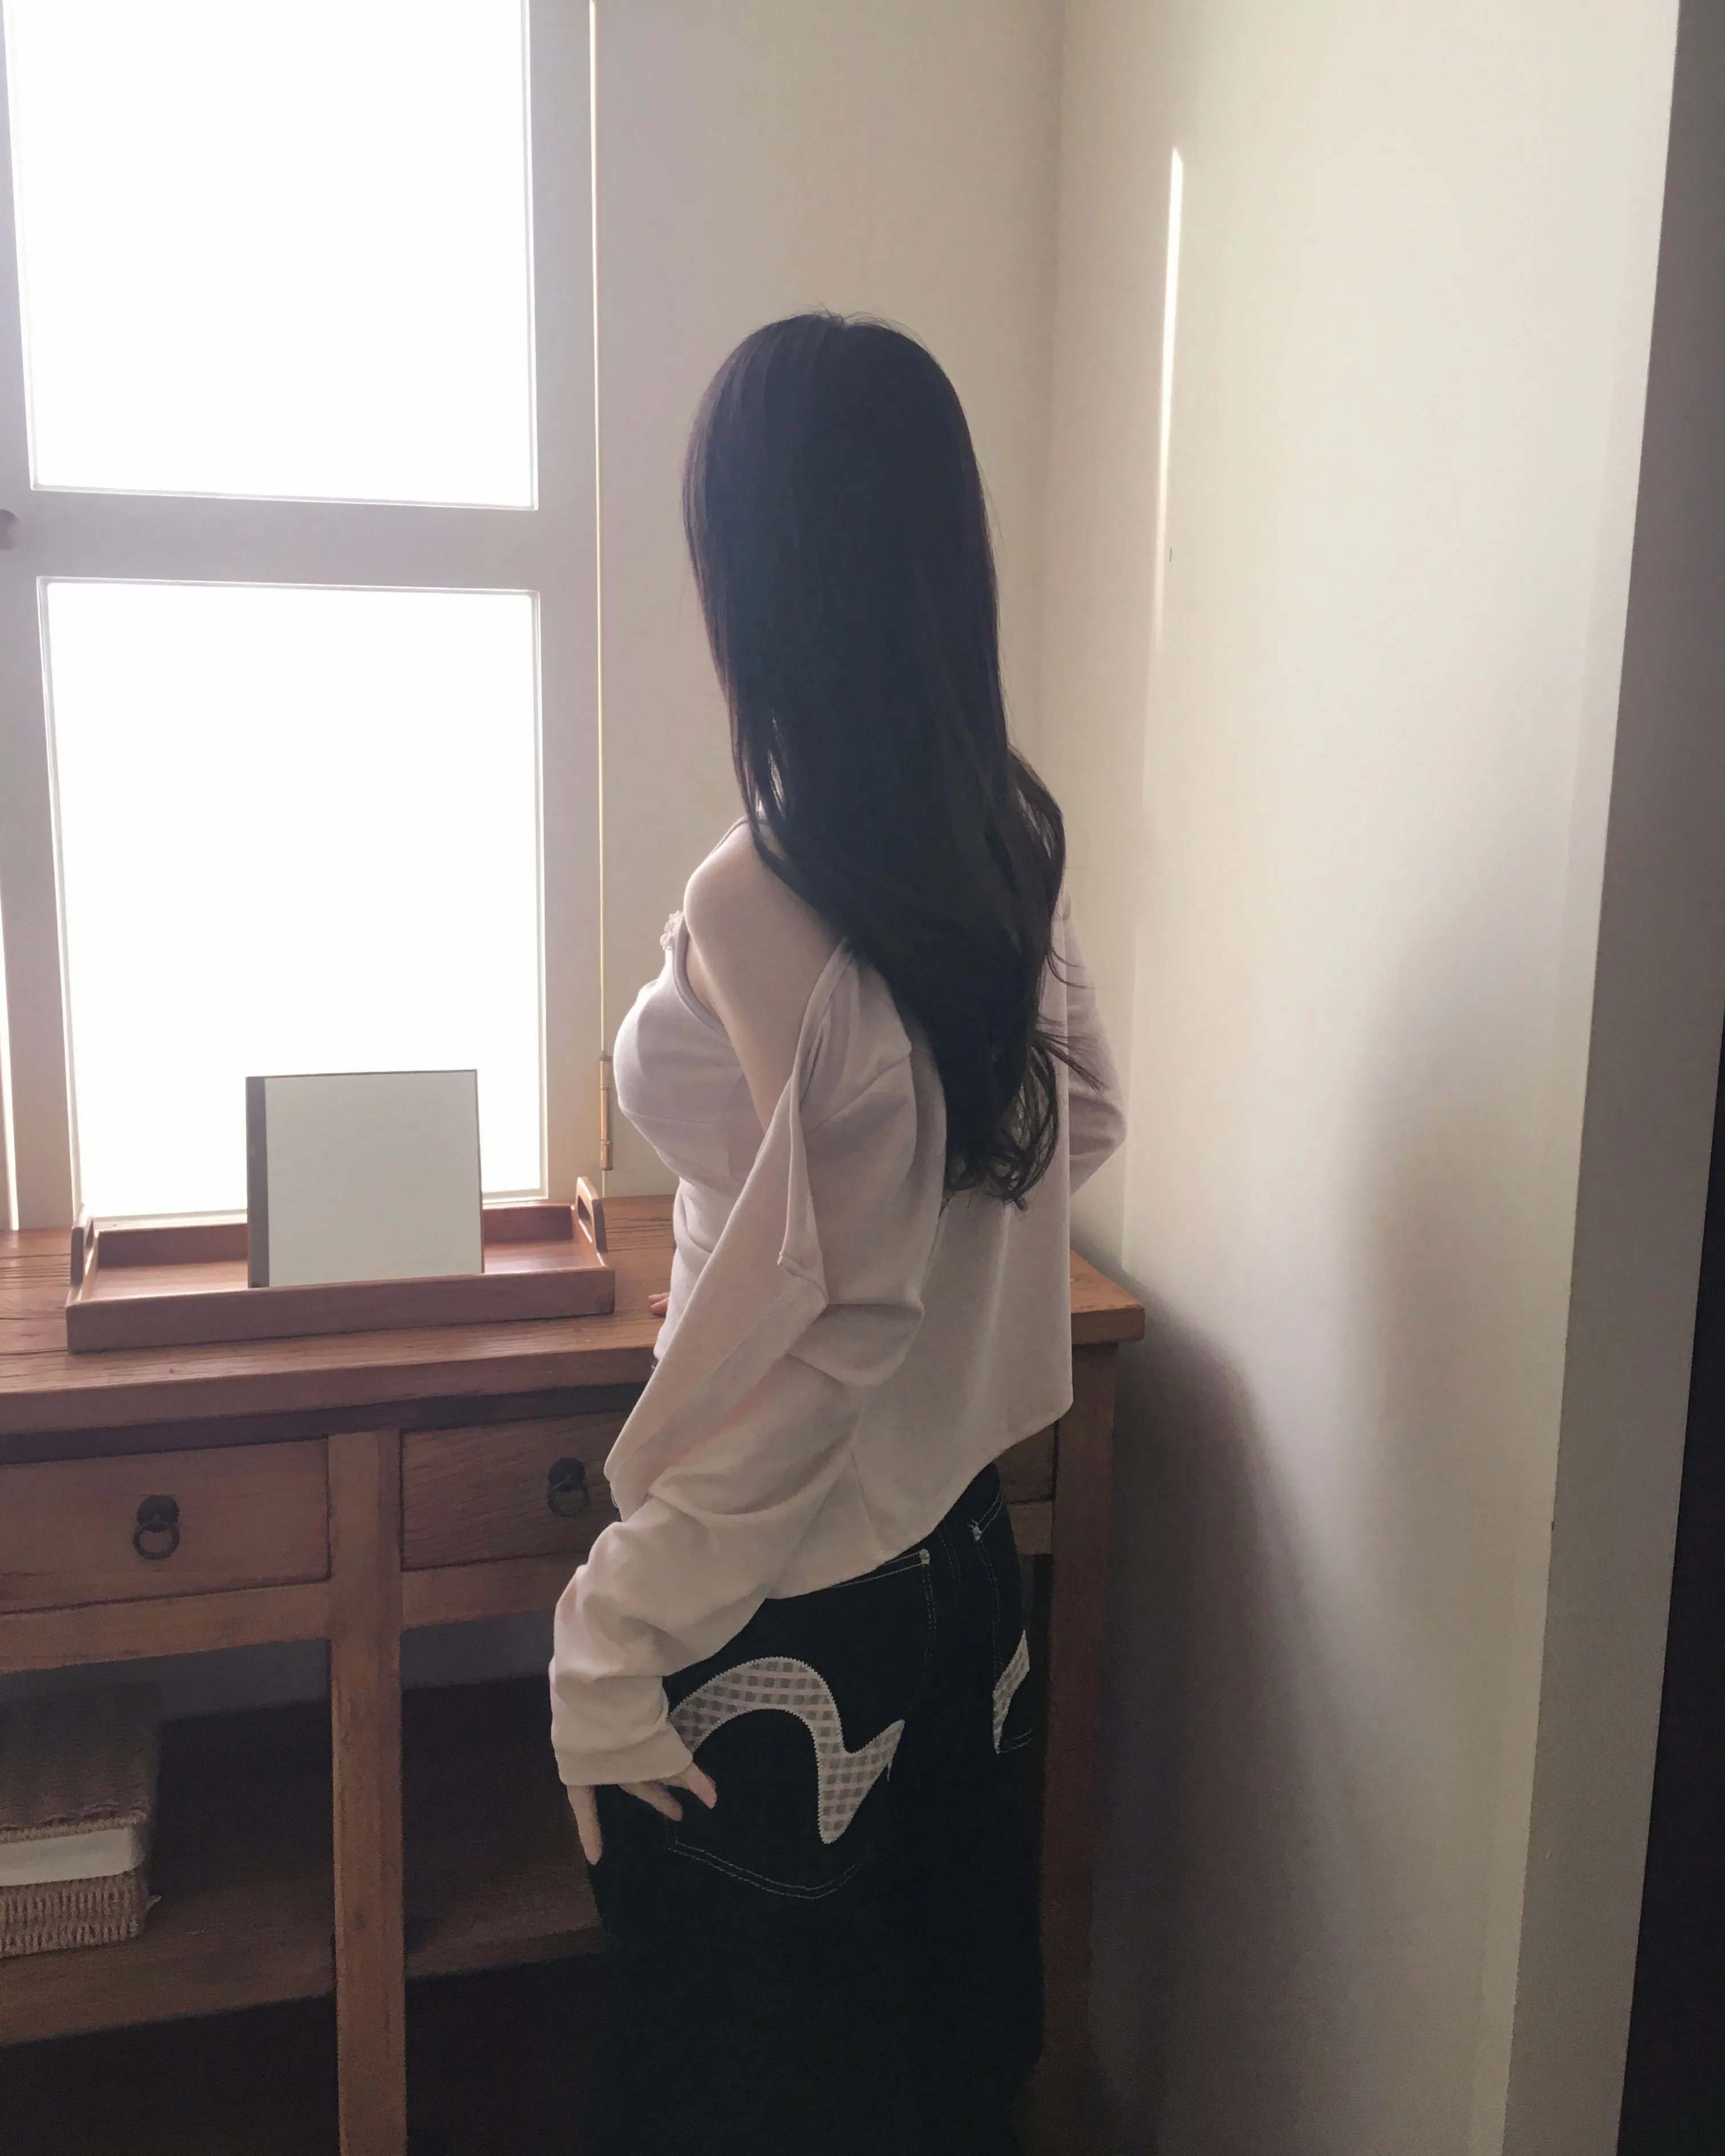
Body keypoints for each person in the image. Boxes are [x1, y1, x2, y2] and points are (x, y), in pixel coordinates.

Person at [549, 311, 1125, 2156]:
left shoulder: (762, 884)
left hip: (781, 1597)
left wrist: (612, 1629)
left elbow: (838, 1327)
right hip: (959, 1562)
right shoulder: (993, 835)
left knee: (730, 2091)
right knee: (934, 2072)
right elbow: (1078, 1123)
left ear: (754, 571)